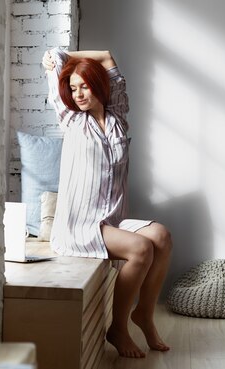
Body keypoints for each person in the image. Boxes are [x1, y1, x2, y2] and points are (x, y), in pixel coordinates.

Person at [42, 48, 172, 358]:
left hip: (111, 219)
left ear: (99, 85)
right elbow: (51, 57)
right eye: (72, 89)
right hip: (80, 225)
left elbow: (108, 57)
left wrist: (75, 56)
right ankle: (118, 327)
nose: (78, 94)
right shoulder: (71, 118)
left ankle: (144, 316)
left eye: (84, 86)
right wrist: (58, 57)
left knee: (162, 237)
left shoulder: (117, 117)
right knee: (142, 249)